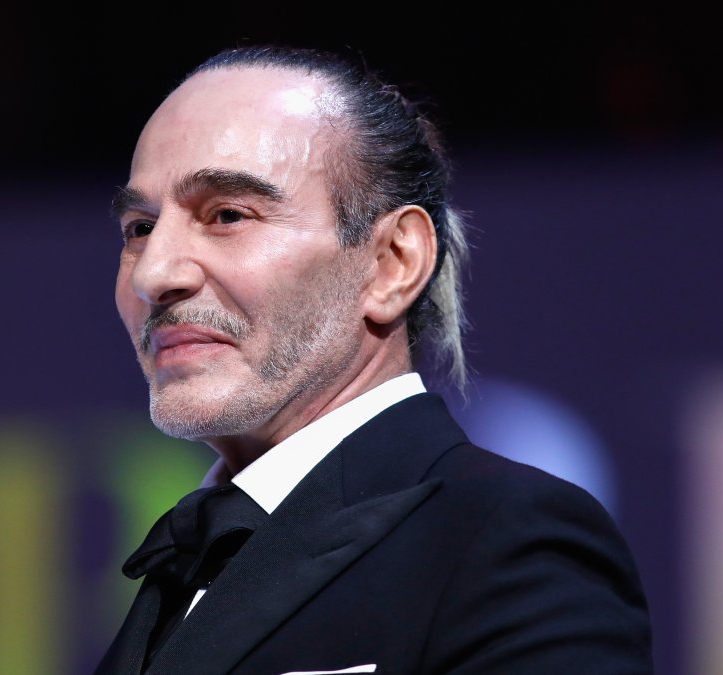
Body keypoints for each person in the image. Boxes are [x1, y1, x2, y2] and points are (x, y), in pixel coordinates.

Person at [97, 44, 652, 674]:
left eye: (227, 214)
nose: (156, 273)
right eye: (139, 229)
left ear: (392, 263)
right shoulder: (179, 576)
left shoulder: (505, 540)